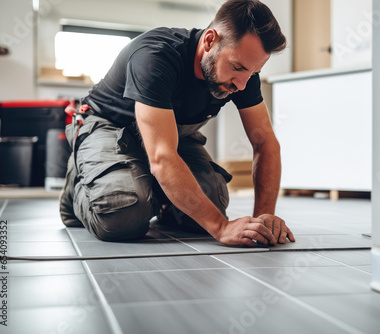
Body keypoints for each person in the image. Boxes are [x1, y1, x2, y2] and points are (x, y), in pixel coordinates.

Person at [59, 0, 295, 247]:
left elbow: (265, 143)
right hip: (110, 126)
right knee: (123, 216)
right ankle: (78, 189)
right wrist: (221, 228)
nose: (243, 84)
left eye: (253, 72)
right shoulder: (156, 57)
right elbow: (162, 158)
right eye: (236, 67)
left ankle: (151, 191)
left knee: (207, 208)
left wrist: (263, 218)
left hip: (170, 134)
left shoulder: (243, 76)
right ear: (209, 41)